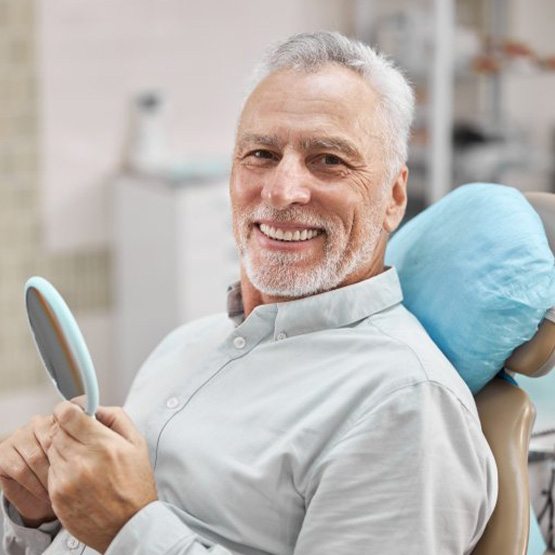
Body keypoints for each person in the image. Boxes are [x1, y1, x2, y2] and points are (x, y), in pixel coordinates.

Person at [0, 31, 497, 554]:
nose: (281, 191)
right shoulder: (186, 345)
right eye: (261, 154)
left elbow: (122, 528)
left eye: (328, 160)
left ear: (394, 196)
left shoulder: (405, 406)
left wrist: (131, 528)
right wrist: (39, 517)